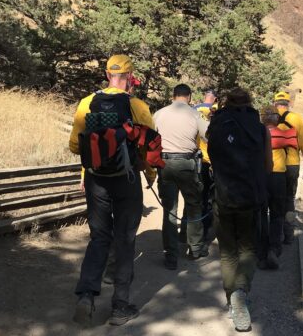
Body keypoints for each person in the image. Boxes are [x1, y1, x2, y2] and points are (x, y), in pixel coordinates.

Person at [69, 54, 156, 326]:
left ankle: (86, 295)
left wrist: (88, 170)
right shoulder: (137, 106)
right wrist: (150, 175)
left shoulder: (86, 103)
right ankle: (120, 306)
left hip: (97, 180)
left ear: (107, 75)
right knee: (125, 238)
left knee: (99, 237)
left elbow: (76, 146)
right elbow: (150, 147)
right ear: (130, 78)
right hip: (127, 179)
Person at [207, 88, 272, 332]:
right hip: (250, 198)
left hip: (223, 197)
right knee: (247, 249)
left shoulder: (216, 126)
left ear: (227, 103)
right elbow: (268, 166)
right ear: (250, 102)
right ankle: (241, 292)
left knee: (227, 253)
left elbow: (211, 159)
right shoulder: (259, 128)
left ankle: (232, 299)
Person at [153, 84, 209, 270]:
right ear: (189, 97)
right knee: (193, 206)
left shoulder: (159, 114)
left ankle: (171, 255)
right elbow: (209, 136)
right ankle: (195, 248)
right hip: (187, 164)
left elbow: (151, 139)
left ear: (173, 96)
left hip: (165, 164)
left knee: (170, 210)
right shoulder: (195, 114)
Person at [179, 90, 218, 243]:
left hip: (194, 158)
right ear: (214, 99)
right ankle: (203, 234)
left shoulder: (193, 110)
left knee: (192, 198)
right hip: (208, 161)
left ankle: (184, 233)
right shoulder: (215, 111)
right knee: (207, 199)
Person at [274, 91, 303, 244]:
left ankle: (275, 235)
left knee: (275, 201)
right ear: (288, 103)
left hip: (273, 166)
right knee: (289, 200)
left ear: (275, 103)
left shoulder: (268, 118)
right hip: (292, 165)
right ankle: (288, 234)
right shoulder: (296, 119)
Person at [258, 106, 290, 270]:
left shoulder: (257, 133)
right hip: (278, 177)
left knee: (262, 214)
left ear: (263, 118)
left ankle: (262, 252)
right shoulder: (285, 133)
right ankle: (274, 248)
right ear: (276, 119)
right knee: (277, 214)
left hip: (261, 176)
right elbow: (293, 153)